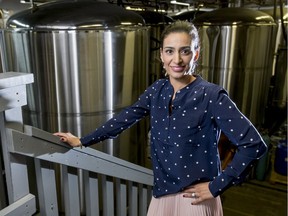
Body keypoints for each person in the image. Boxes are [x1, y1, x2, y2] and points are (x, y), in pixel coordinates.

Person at [54, 20, 267, 216]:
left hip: (195, 200)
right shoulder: (157, 90)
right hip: (162, 194)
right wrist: (83, 140)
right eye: (170, 51)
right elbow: (124, 119)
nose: (177, 59)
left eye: (185, 51)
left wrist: (217, 185)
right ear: (161, 56)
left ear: (196, 54)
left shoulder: (211, 96)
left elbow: (254, 144)